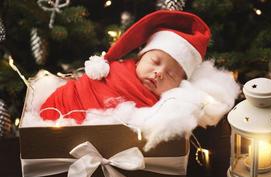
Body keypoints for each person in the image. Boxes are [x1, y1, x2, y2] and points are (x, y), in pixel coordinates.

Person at [40, 10, 211, 124]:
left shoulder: (163, 109)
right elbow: (85, 87)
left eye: (171, 75)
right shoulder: (112, 71)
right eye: (155, 61)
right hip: (61, 114)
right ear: (140, 58)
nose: (159, 73)